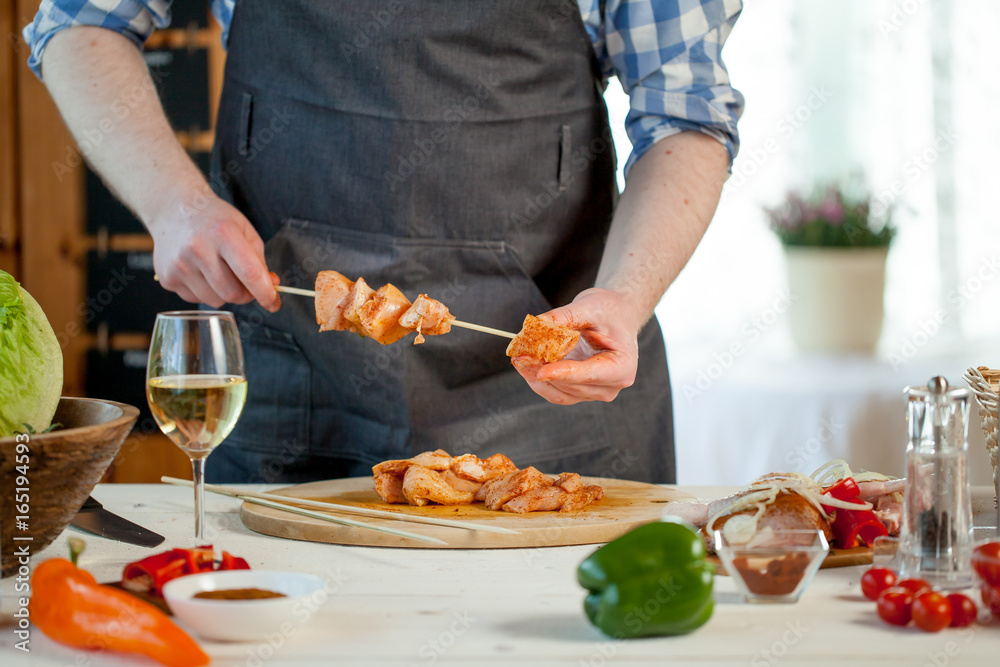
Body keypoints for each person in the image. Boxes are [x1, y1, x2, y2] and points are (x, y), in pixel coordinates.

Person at [25, 0, 743, 485]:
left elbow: (684, 114)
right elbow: (79, 24)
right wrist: (173, 204)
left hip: (553, 394)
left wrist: (624, 297)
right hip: (284, 380)